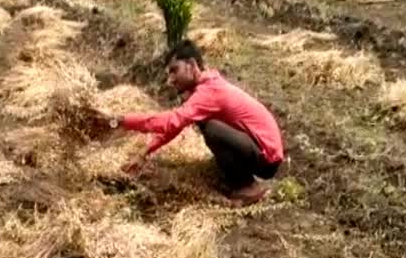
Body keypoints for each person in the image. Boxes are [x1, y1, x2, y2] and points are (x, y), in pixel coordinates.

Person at [106, 39, 285, 206]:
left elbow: (171, 122)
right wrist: (146, 151)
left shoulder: (208, 92)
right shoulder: (206, 88)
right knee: (207, 124)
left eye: (174, 70)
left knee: (211, 128)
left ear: (192, 65)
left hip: (267, 158)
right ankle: (241, 180)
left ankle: (248, 187)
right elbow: (176, 125)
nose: (170, 80)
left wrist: (121, 121)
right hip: (258, 149)